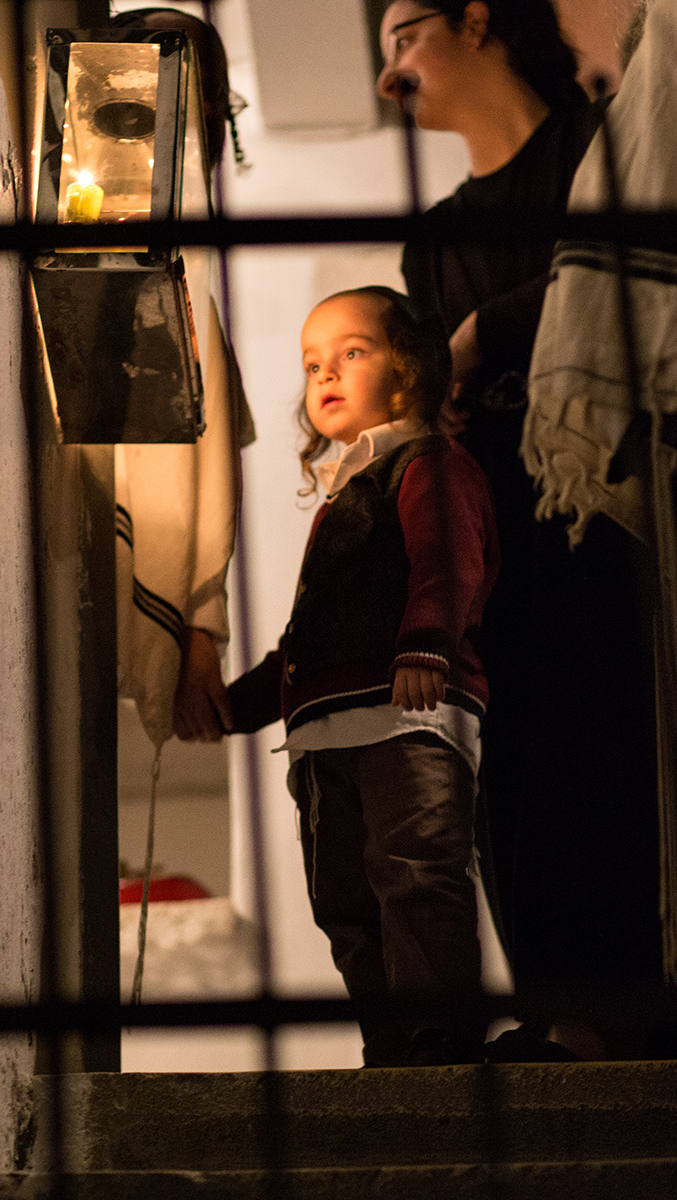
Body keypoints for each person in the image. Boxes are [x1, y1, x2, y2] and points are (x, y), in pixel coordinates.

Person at [378, 1, 661, 1061]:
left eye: (403, 38)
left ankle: (643, 1004)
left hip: (610, 518)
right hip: (493, 537)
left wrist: (477, 334)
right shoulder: (434, 236)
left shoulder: (599, 145)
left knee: (621, 740)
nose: (388, 76)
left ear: (477, 20)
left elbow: (626, 278)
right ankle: (570, 1013)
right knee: (514, 764)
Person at [224, 286, 499, 1066]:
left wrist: (426, 644)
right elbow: (306, 640)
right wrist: (232, 708)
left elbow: (448, 561)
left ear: (409, 368)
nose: (326, 374)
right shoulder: (344, 492)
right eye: (312, 363)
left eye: (351, 352)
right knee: (343, 902)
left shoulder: (426, 463)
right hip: (325, 738)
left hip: (407, 718)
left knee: (416, 874)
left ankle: (440, 1041)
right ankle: (391, 1049)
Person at [109, 9, 255, 749]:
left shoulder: (192, 286)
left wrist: (201, 631)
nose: (186, 101)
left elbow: (209, 468)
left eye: (206, 88)